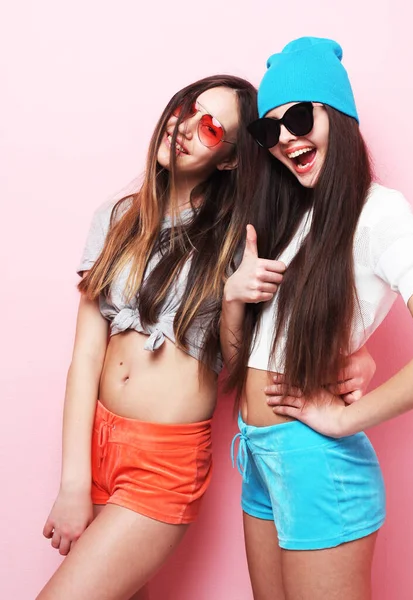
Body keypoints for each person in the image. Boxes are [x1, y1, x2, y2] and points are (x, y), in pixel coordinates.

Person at [222, 37, 413, 600]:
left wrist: (345, 419)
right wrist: (234, 298)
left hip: (317, 462)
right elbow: (242, 362)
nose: (286, 138)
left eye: (298, 117)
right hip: (260, 457)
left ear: (337, 115)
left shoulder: (380, 212)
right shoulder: (293, 220)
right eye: (270, 131)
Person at [38, 74, 261, 600]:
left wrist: (232, 298)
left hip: (164, 461)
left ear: (229, 158)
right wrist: (74, 481)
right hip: (97, 441)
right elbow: (85, 358)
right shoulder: (118, 218)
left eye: (209, 127)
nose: (184, 127)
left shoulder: (236, 236)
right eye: (186, 109)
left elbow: (236, 365)